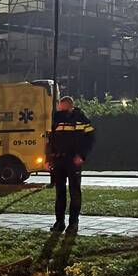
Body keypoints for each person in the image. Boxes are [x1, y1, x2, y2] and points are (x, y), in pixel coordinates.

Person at [47, 96, 95, 233]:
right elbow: (50, 140)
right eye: (59, 108)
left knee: (74, 192)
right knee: (59, 193)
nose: (60, 111)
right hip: (59, 160)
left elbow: (90, 139)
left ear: (70, 106)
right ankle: (59, 223)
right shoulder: (56, 119)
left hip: (73, 160)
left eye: (63, 108)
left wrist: (82, 156)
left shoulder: (80, 119)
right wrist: (49, 158)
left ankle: (73, 224)